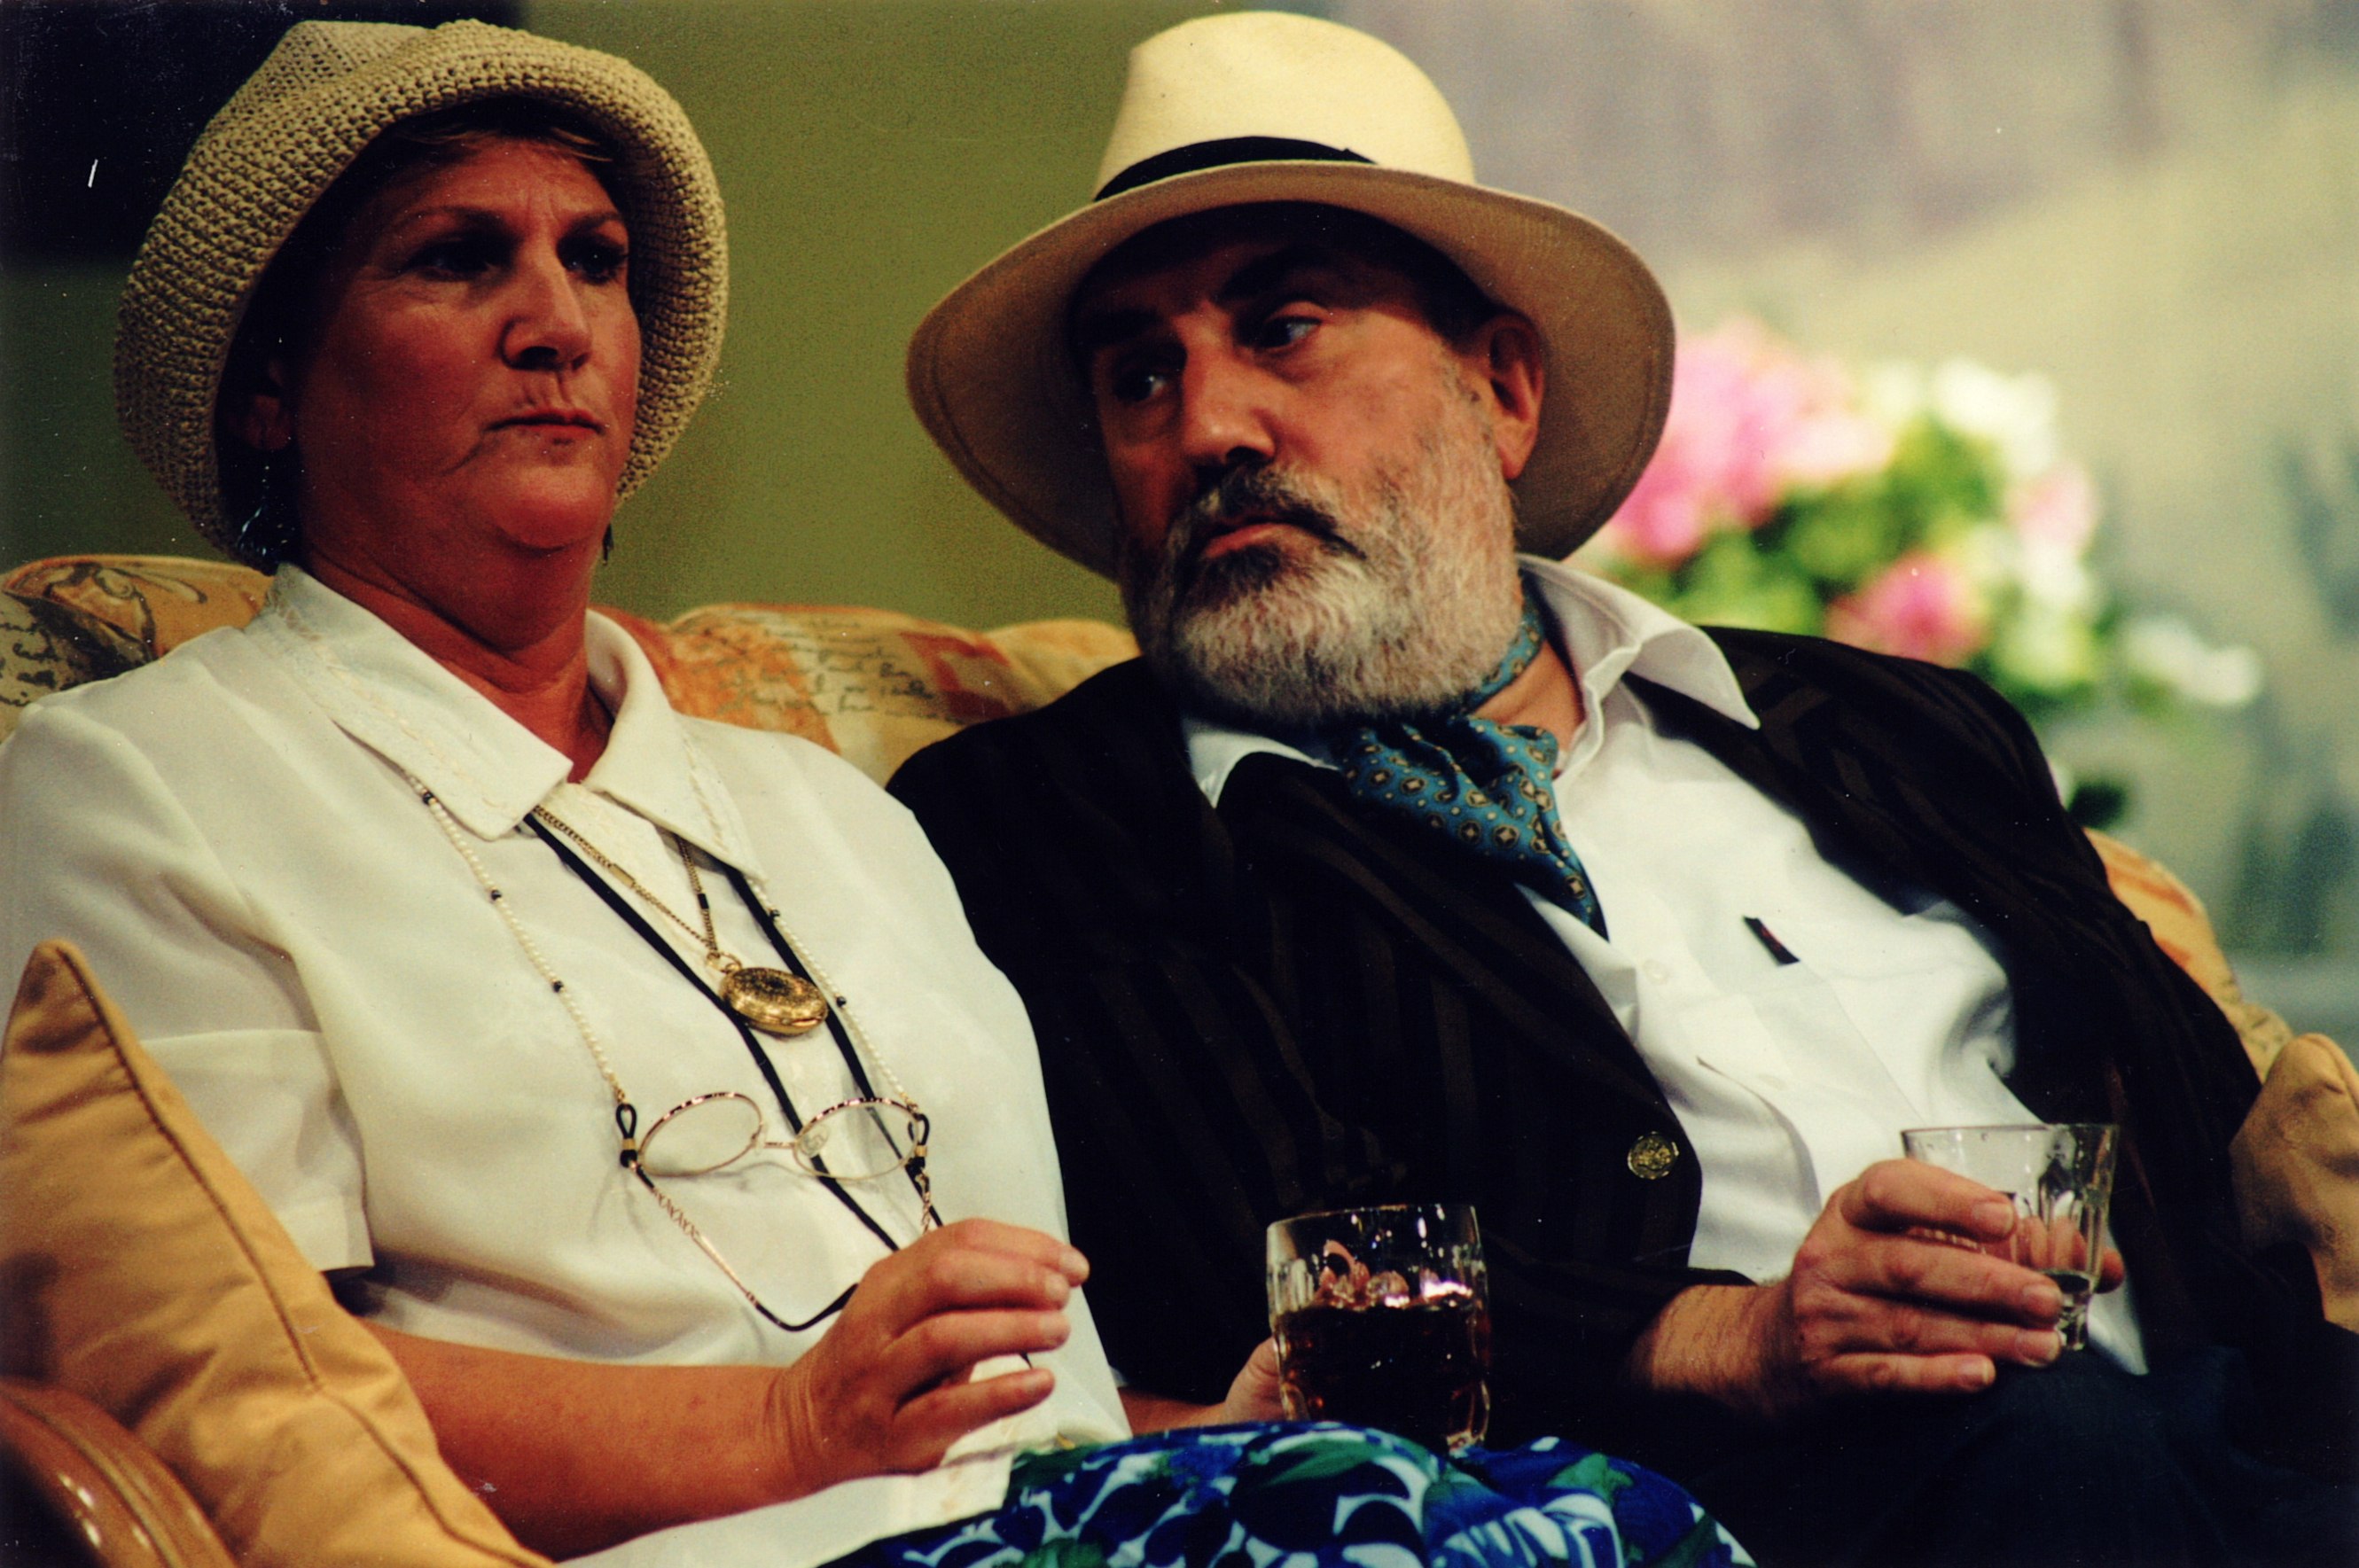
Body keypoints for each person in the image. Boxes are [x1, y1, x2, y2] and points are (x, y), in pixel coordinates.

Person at [0, 17, 1754, 1568]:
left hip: (1060, 1529)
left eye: (597, 261)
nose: (555, 322)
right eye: (456, 261)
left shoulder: (837, 813)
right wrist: (788, 1429)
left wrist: (1206, 1440)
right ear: (267, 389)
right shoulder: (143, 783)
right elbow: (242, 1390)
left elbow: (1010, 1408)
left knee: (1581, 1513)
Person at [890, 12, 2359, 1564]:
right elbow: (1253, 1262)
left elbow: (2214, 1138)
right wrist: (1741, 1336)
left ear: (1502, 390)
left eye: (1286, 327)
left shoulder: (1890, 722)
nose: (1206, 426)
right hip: (1702, 1504)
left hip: (2223, 1447)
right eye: (1139, 376)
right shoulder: (1060, 813)